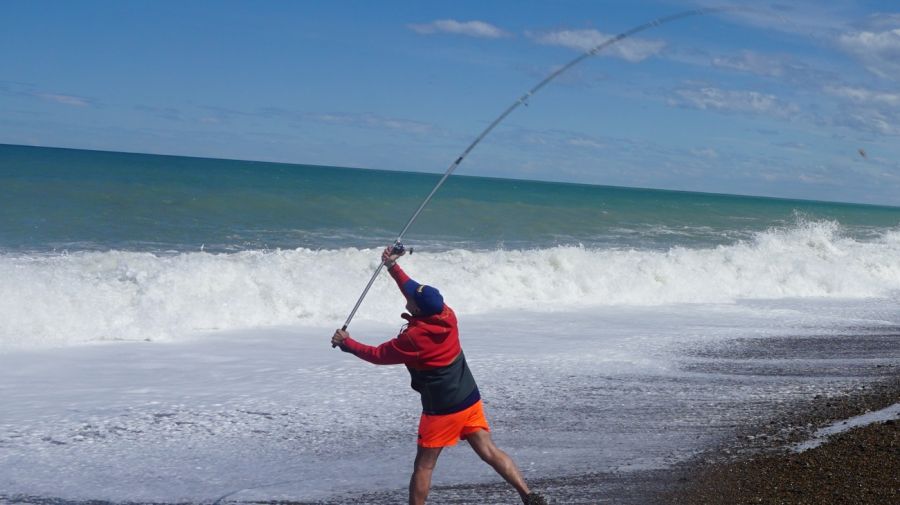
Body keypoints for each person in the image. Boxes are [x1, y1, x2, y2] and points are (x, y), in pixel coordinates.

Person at [332, 246, 547, 505]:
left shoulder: (414, 338)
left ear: (419, 311)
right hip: (469, 397)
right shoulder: (447, 314)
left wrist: (347, 344)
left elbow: (378, 355)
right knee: (488, 450)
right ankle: (528, 495)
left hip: (442, 410)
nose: (408, 294)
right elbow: (414, 290)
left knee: (424, 466)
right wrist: (392, 266)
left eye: (412, 297)